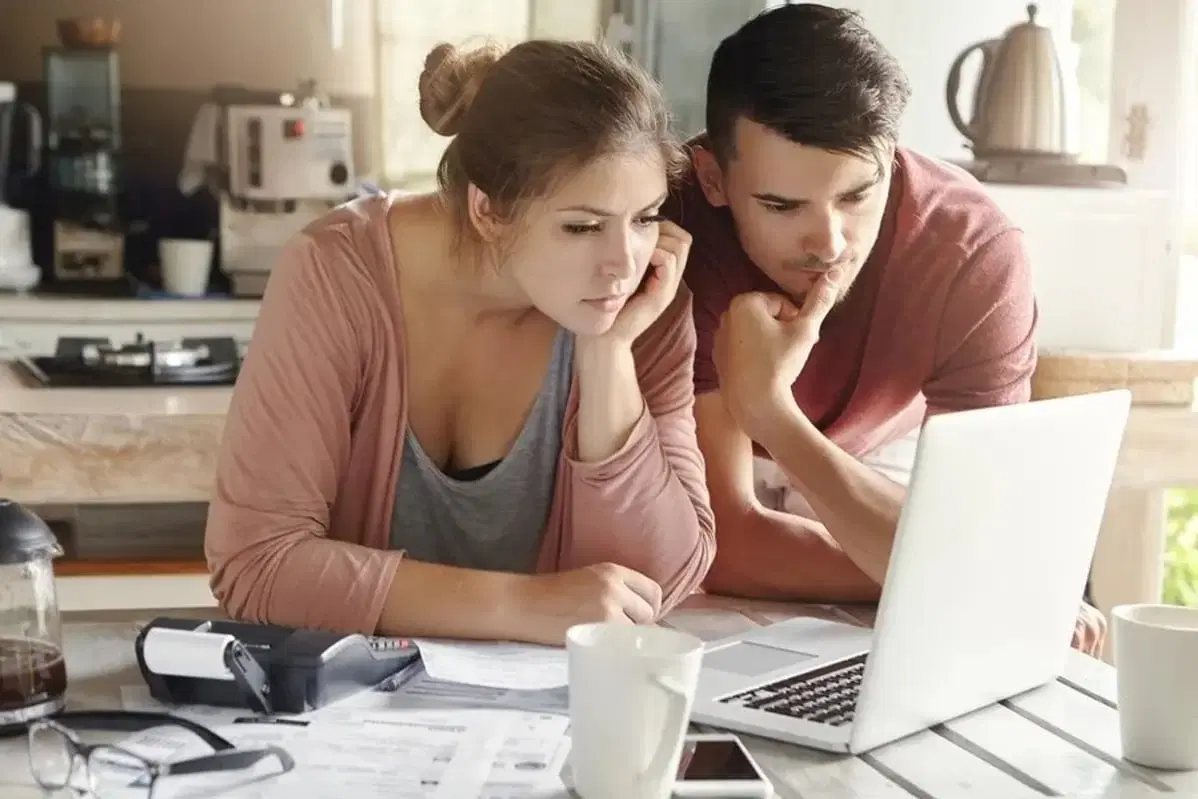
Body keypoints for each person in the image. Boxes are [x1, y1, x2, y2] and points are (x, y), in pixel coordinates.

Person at [204, 39, 716, 646]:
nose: (623, 263)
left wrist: (608, 354)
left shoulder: (641, 306)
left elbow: (660, 583)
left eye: (645, 217)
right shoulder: (337, 274)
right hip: (346, 719)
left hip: (544, 723)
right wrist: (525, 605)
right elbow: (256, 567)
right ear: (489, 210)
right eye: (582, 226)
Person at [664, 3, 1106, 655]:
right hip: (713, 472)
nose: (829, 242)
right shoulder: (675, 225)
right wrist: (954, 577)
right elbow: (726, 543)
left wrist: (770, 412)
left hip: (884, 456)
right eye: (782, 206)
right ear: (713, 178)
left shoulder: (973, 253)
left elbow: (974, 529)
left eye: (855, 195)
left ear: (892, 160)